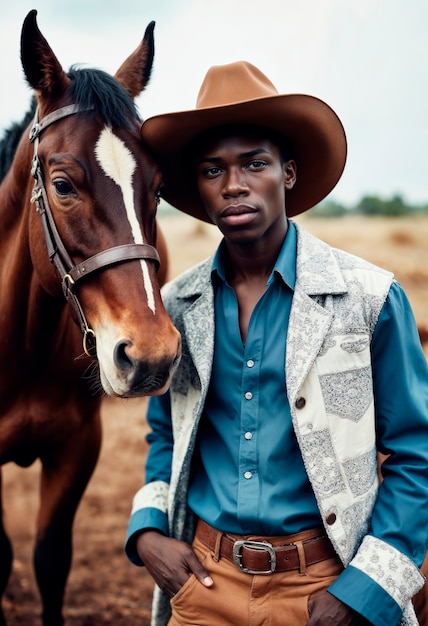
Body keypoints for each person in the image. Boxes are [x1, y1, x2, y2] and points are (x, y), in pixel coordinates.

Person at [125, 61, 428, 626]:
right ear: (198, 187)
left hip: (328, 585)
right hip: (205, 583)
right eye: (213, 169)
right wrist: (147, 531)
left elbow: (417, 455)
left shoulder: (370, 299)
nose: (234, 184)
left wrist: (363, 591)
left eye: (254, 163)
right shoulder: (177, 306)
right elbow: (165, 431)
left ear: (288, 174)